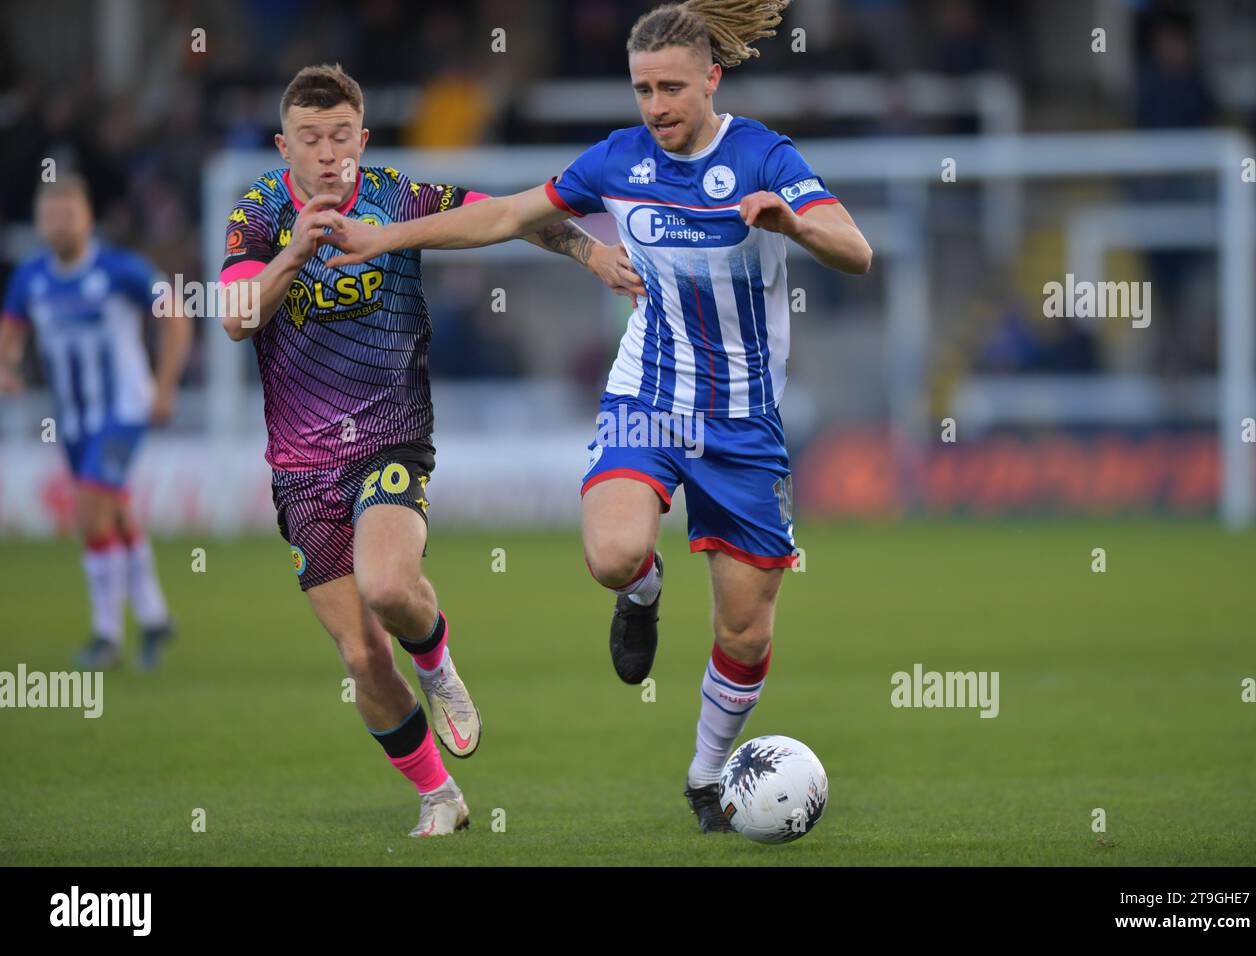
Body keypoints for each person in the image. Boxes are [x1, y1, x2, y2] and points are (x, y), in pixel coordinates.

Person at [320, 1, 871, 834]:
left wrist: (791, 220)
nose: (657, 107)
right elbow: (506, 214)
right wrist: (387, 236)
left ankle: (705, 773)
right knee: (613, 556)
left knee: (746, 633)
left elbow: (855, 248)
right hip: (645, 395)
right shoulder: (619, 160)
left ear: (712, 79)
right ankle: (643, 591)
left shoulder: (763, 155)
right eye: (643, 89)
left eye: (673, 89)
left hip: (742, 422)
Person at [218, 63, 639, 837]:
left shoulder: (398, 198)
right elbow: (237, 316)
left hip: (391, 440)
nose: (327, 154)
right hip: (300, 469)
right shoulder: (257, 212)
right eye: (310, 140)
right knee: (362, 660)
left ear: (363, 139)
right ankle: (440, 794)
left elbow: (510, 215)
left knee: (387, 586)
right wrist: (292, 254)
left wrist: (588, 254)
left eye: (341, 136)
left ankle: (437, 661)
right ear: (285, 147)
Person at [0, 174, 191, 671]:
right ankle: (154, 619)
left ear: (87, 218)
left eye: (68, 213)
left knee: (89, 512)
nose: (58, 224)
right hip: (73, 421)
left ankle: (105, 635)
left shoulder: (120, 269)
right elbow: (11, 331)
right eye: (49, 215)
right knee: (114, 512)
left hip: (125, 411)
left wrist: (165, 384)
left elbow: (174, 315)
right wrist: (8, 365)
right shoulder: (31, 278)